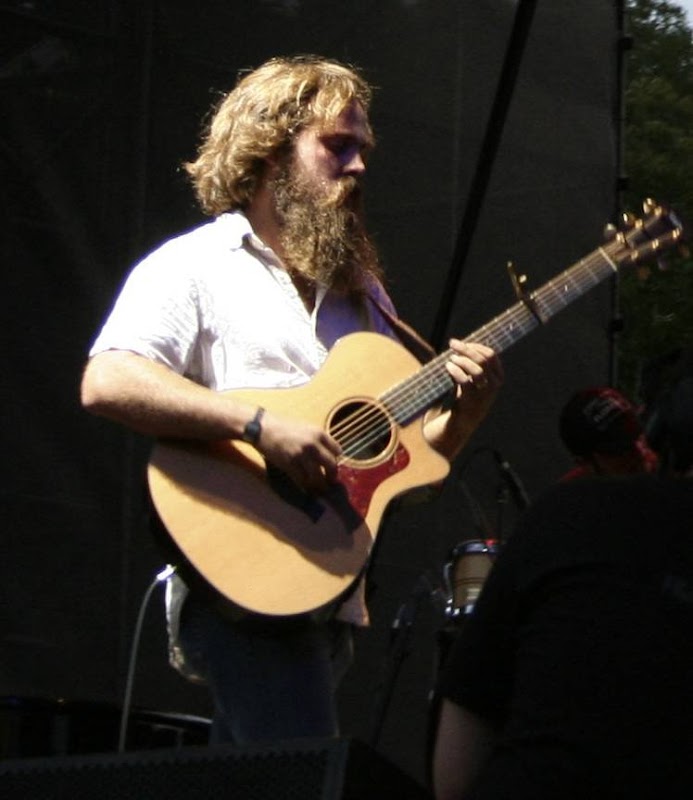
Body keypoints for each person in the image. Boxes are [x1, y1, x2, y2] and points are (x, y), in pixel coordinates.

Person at [80, 54, 503, 747]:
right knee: (302, 770)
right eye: (337, 146)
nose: (357, 165)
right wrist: (258, 425)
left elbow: (400, 468)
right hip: (237, 577)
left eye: (362, 150)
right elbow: (109, 380)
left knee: (254, 774)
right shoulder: (196, 266)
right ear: (269, 150)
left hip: (324, 592)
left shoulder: (363, 296)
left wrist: (463, 419)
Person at [431, 364, 693, 799]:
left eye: (636, 437)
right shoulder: (573, 510)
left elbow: (458, 759)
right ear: (587, 462)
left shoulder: (563, 512)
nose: (636, 453)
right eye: (619, 448)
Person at [557, 385, 658, 480]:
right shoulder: (572, 491)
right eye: (621, 449)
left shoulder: (661, 465)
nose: (639, 452)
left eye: (638, 435)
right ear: (586, 463)